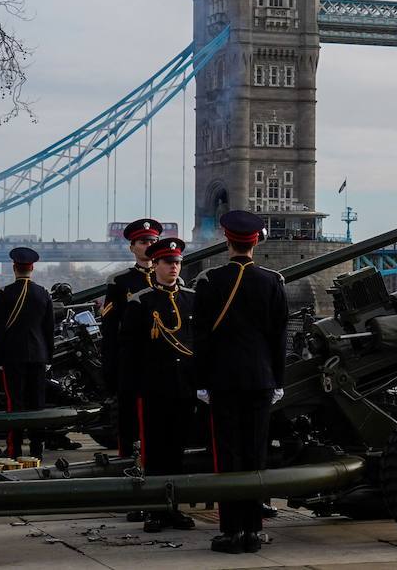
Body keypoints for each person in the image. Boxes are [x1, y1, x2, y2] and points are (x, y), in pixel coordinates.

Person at [192, 210, 288, 555]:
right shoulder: (272, 281)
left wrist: (201, 381)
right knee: (256, 454)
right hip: (261, 381)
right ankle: (253, 531)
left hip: (223, 381)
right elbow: (280, 338)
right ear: (257, 241)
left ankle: (231, 531)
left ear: (225, 240)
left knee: (228, 457)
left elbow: (200, 338)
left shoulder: (208, 281)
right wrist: (278, 379)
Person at [121, 237, 198, 533]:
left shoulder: (191, 298)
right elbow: (130, 351)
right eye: (168, 263)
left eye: (177, 262)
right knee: (154, 452)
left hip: (184, 386)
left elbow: (197, 343)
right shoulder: (141, 301)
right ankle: (155, 509)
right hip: (153, 387)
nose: (174, 268)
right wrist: (131, 388)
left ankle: (173, 508)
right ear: (155, 265)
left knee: (177, 451)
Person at [101, 218, 159, 468]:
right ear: (132, 247)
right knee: (128, 418)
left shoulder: (171, 278)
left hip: (160, 360)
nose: (148, 245)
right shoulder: (120, 281)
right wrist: (110, 366)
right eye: (143, 241)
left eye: (153, 241)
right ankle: (126, 465)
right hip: (131, 360)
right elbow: (110, 327)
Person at [0, 247, 54, 459]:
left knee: (15, 405)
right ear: (33, 268)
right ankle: (37, 451)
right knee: (37, 404)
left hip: (12, 356)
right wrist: (49, 357)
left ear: (14, 268)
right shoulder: (43, 293)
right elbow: (49, 329)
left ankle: (14, 450)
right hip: (38, 355)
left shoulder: (3, 294)